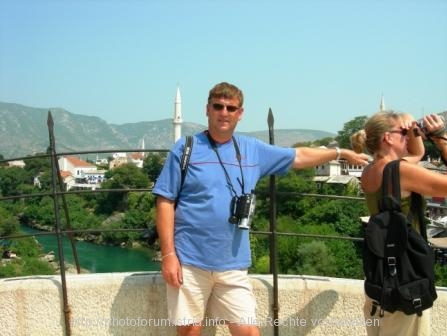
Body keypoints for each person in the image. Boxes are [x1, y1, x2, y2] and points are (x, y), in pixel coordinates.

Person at [152, 81, 369, 336]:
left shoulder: (251, 150)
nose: (224, 112)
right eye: (218, 106)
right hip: (189, 260)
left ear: (240, 114)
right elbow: (165, 200)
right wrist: (168, 256)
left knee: (249, 332)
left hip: (233, 264)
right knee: (189, 332)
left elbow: (298, 157)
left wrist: (339, 152)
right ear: (207, 110)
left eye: (231, 108)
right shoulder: (186, 148)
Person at [351, 110, 446, 336]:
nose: (408, 136)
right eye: (403, 132)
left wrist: (410, 128)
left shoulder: (370, 171)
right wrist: (442, 137)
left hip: (381, 277)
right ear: (387, 137)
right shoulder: (402, 171)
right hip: (406, 279)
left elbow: (417, 152)